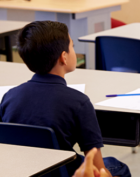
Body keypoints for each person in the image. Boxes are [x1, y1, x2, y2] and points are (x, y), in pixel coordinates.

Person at [1, 21, 130, 177]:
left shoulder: (9, 97)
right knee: (118, 167)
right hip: (65, 173)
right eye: (72, 47)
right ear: (64, 57)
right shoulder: (79, 102)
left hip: (24, 172)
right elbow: (97, 171)